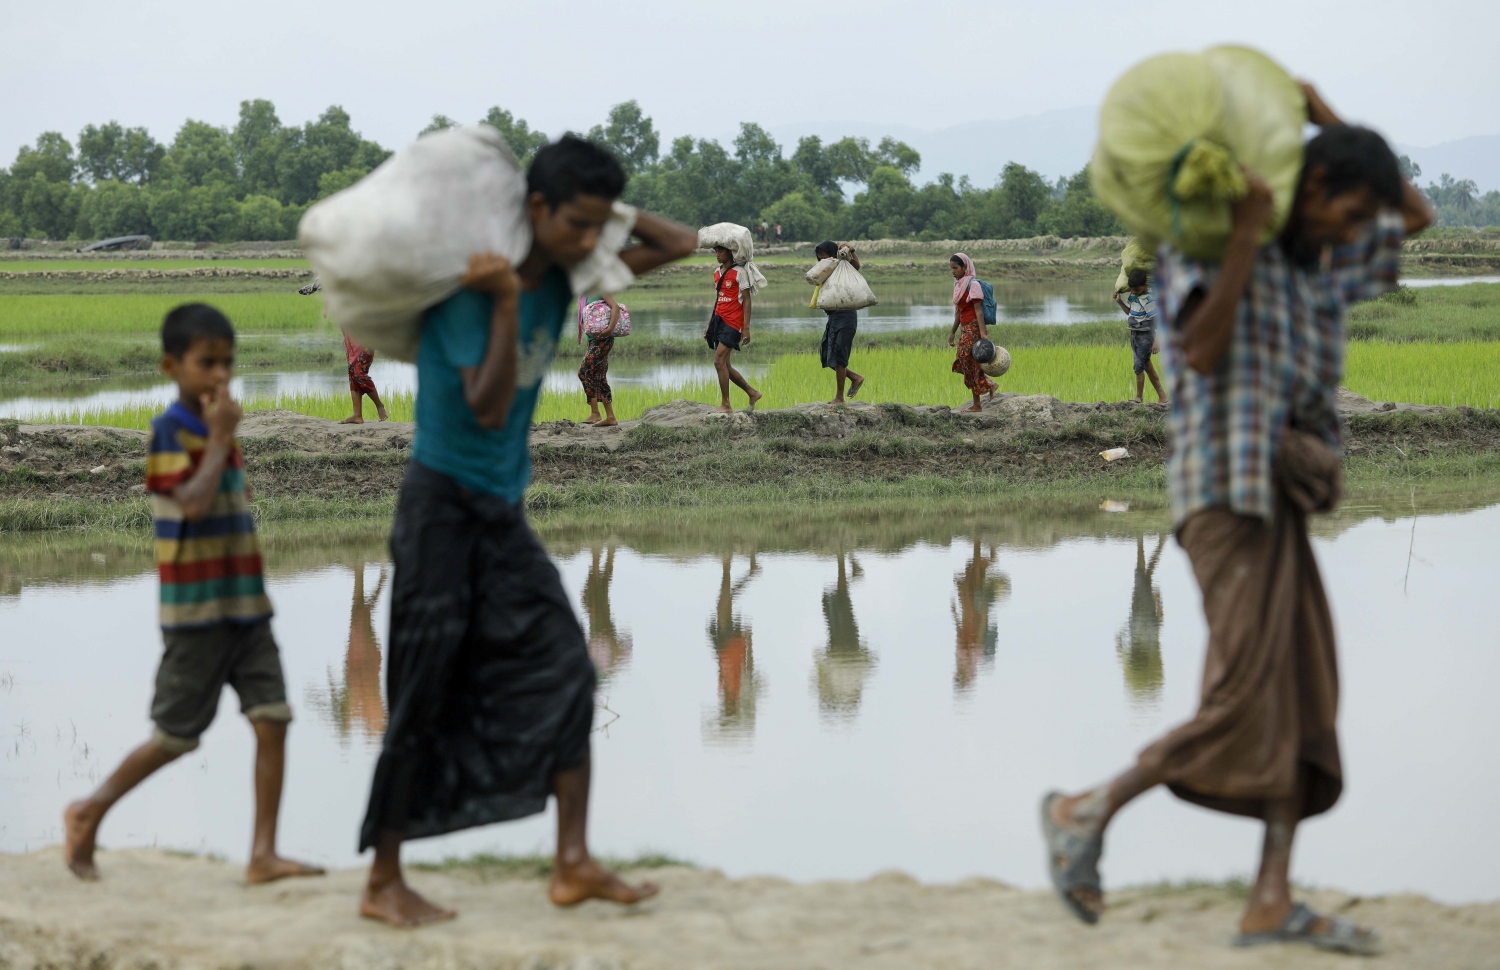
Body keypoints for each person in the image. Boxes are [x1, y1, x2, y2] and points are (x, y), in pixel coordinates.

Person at [1040, 88, 1435, 955]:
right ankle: (1084, 810)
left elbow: (1419, 214)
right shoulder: (1211, 246)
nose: (1358, 227)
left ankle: (1269, 897)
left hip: (1284, 502)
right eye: (1346, 207)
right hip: (1225, 495)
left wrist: (1328, 121)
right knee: (1245, 694)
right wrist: (1254, 228)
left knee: (1304, 697)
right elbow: (1204, 354)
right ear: (1310, 187)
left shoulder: (1317, 264)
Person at [358, 135, 698, 928]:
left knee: (570, 672)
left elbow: (679, 243)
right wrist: (508, 298)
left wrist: (590, 207)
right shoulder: (469, 294)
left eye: (596, 227)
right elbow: (485, 404)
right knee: (423, 687)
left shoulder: (568, 275)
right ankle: (383, 879)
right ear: (534, 211)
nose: (591, 243)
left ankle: (572, 862)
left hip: (502, 514)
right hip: (440, 511)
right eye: (573, 224)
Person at [62, 303, 323, 887]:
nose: (220, 376)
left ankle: (262, 854)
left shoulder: (217, 432)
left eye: (228, 363)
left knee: (274, 719)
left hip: (248, 610)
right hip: (197, 616)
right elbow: (196, 503)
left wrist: (223, 437)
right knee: (175, 737)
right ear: (171, 366)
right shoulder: (169, 432)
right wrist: (221, 437)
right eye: (207, 363)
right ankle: (89, 810)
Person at [706, 552, 761, 740]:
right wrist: (749, 641)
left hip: (724, 648)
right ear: (734, 709)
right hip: (735, 646)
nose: (726, 708)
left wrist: (713, 642)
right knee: (723, 605)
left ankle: (747, 571)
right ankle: (728, 566)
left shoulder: (724, 694)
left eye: (725, 711)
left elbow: (721, 669)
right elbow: (749, 669)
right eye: (729, 710)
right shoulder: (742, 694)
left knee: (724, 604)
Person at [705, 244, 763, 413]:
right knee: (726, 365)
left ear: (730, 253)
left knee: (718, 361)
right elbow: (718, 300)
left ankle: (726, 404)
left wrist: (746, 328)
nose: (717, 254)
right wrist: (709, 325)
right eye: (715, 251)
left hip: (733, 323)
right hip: (719, 320)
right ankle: (752, 392)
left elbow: (747, 300)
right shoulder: (716, 273)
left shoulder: (740, 272)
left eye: (720, 251)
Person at [951, 536, 1009, 691]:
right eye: (960, 676)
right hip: (975, 613)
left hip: (968, 611)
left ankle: (982, 544)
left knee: (973, 573)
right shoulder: (971, 657)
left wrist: (954, 611)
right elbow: (980, 629)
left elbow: (958, 632)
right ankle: (987, 548)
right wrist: (984, 610)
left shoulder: (963, 658)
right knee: (975, 574)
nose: (959, 671)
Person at [1114, 533, 1165, 708]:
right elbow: (1159, 621)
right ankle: (1143, 540)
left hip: (1138, 607)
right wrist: (1158, 601)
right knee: (1141, 573)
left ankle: (1157, 542)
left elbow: (1160, 622)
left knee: (1144, 575)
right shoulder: (1147, 643)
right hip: (1142, 607)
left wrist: (1158, 601)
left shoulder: (1143, 645)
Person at [812, 241, 867, 403]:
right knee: (828, 357)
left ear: (833, 254)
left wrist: (851, 251)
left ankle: (839, 397)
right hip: (833, 318)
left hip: (845, 317)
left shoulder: (843, 267)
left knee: (839, 357)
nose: (823, 262)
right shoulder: (825, 271)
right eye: (820, 259)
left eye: (825, 258)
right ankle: (855, 377)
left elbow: (856, 266)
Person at [947, 253, 996, 412]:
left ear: (965, 267)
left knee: (968, 363)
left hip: (974, 328)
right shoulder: (958, 285)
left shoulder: (972, 285)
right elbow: (958, 313)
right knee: (962, 365)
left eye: (955, 268)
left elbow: (979, 311)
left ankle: (977, 404)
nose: (953, 271)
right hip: (964, 329)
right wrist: (953, 332)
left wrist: (983, 333)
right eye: (951, 268)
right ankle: (989, 385)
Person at [1113, 269, 1168, 405]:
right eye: (1132, 289)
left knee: (1138, 366)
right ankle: (1163, 397)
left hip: (1146, 336)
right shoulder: (1133, 296)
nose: (1134, 292)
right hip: (1135, 335)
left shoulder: (1149, 299)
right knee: (1147, 366)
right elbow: (1129, 313)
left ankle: (1138, 397)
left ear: (1144, 285)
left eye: (1137, 289)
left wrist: (1157, 341)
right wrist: (1119, 301)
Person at [582, 543, 632, 682]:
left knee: (599, 587)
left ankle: (605, 552)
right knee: (597, 588)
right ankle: (602, 551)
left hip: (600, 620)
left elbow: (626, 642)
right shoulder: (613, 662)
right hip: (600, 618)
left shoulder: (612, 662)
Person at [577, 294, 622, 426]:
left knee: (583, 372)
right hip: (593, 340)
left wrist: (609, 329)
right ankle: (611, 417)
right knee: (599, 377)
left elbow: (615, 307)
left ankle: (595, 413)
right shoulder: (583, 295)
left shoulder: (600, 288)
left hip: (604, 339)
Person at [341, 331, 390, 424]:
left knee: (359, 373)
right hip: (351, 340)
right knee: (352, 373)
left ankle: (379, 406)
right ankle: (357, 415)